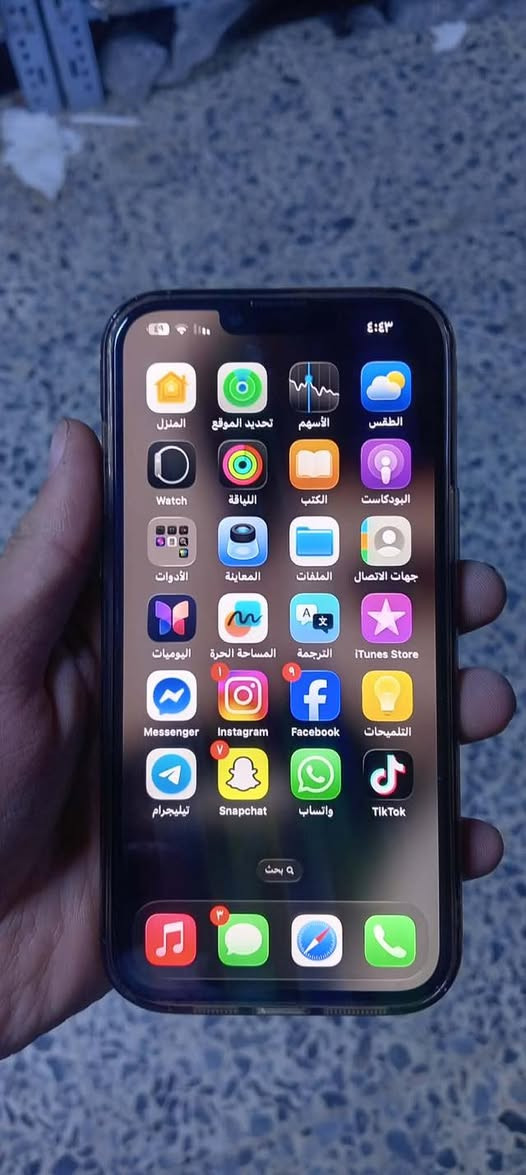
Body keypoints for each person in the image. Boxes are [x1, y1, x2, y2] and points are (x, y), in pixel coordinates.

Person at [0, 420, 516, 1060]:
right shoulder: (157, 766)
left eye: (398, 588)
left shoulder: (368, 791)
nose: (372, 626)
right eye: (340, 586)